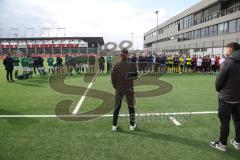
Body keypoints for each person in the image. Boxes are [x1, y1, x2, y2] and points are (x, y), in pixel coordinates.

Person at [210, 42, 240, 152]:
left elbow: (219, 82)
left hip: (226, 98)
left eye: (227, 49)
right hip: (238, 97)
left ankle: (222, 144)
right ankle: (238, 141)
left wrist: (220, 91)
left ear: (231, 49)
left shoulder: (228, 62)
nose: (226, 51)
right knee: (238, 120)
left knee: (224, 122)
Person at [111, 48, 138, 132]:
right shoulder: (132, 65)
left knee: (117, 107)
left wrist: (116, 87)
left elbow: (113, 78)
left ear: (120, 55)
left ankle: (114, 126)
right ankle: (132, 125)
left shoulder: (116, 65)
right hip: (129, 88)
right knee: (131, 106)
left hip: (119, 88)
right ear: (127, 55)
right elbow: (135, 77)